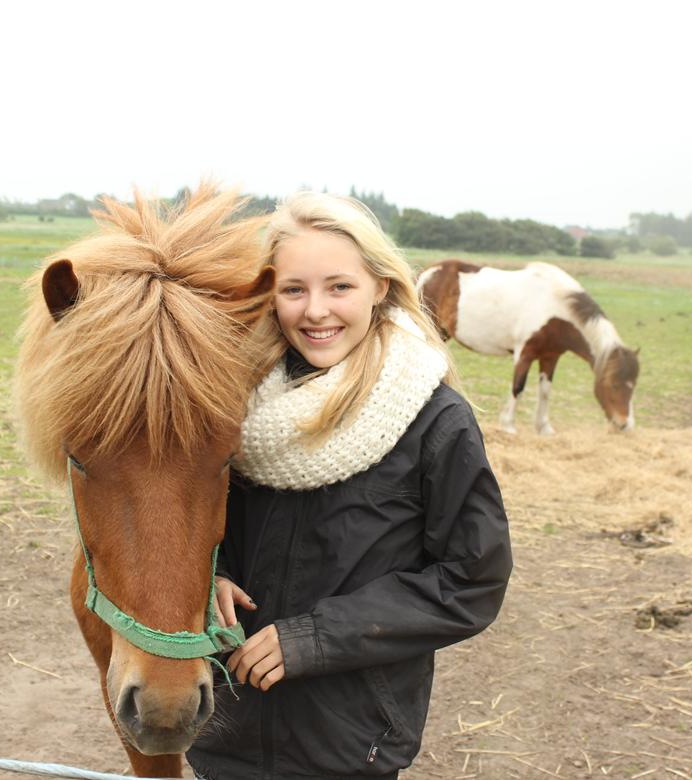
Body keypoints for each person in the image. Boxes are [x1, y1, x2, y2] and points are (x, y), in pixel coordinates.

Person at [187, 192, 512, 780]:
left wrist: (313, 639)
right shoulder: (228, 405)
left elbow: (473, 579)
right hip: (227, 730)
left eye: (339, 287)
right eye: (293, 289)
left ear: (380, 287)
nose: (316, 311)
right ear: (269, 294)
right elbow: (196, 523)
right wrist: (212, 575)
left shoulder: (434, 421)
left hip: (348, 742)